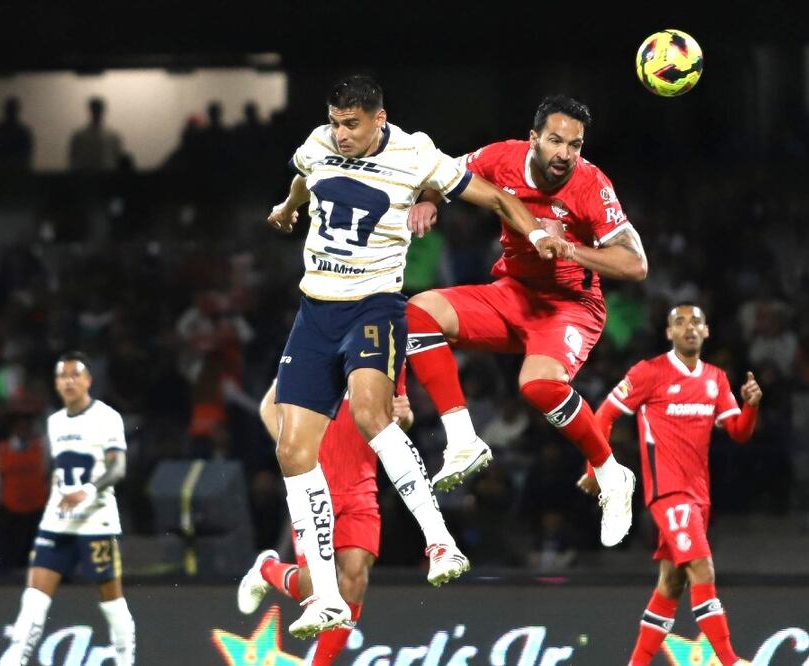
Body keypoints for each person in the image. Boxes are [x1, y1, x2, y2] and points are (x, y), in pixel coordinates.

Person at [265, 75, 571, 639]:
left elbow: (498, 197)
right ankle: (326, 599)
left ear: (379, 119)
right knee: (290, 449)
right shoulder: (318, 144)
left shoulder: (416, 154)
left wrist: (535, 236)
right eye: (335, 122)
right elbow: (304, 177)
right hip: (315, 309)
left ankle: (440, 540)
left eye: (351, 124)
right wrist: (287, 207)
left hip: (373, 306)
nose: (341, 134)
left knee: (369, 413)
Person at [403, 94, 645, 547]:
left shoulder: (592, 185)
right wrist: (432, 200)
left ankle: (612, 476)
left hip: (570, 305)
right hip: (512, 294)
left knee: (537, 386)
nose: (565, 154)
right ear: (533, 138)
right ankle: (462, 439)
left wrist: (571, 248)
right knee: (419, 311)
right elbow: (443, 172)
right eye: (555, 141)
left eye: (575, 145)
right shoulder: (501, 157)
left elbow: (635, 265)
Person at [578, 304, 760, 666]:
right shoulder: (649, 373)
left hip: (699, 496)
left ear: (707, 331)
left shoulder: (716, 379)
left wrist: (750, 406)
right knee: (702, 569)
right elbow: (604, 414)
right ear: (669, 333)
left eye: (696, 322)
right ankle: (730, 660)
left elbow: (738, 432)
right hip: (668, 492)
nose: (689, 327)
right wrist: (596, 467)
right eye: (680, 322)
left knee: (672, 584)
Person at [237, 379, 412, 665]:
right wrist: (296, 457)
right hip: (314, 489)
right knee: (314, 588)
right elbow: (269, 408)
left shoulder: (378, 360)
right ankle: (267, 570)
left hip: (360, 489)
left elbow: (396, 422)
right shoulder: (315, 353)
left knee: (355, 576)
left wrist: (403, 419)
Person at [0, 352, 135, 666]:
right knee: (33, 599)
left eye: (75, 375)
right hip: (58, 522)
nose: (68, 381)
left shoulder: (107, 417)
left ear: (88, 380)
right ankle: (15, 659)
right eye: (62, 376)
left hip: (97, 522)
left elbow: (118, 469)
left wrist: (87, 491)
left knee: (111, 601)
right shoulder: (54, 422)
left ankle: (126, 659)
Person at [0, 409, 50, 572]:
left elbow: (49, 474)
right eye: (19, 427)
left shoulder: (42, 449)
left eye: (27, 426)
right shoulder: (1, 450)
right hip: (10, 508)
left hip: (37, 508)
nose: (23, 430)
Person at [69, 97, 125, 172]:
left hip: (107, 177)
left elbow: (117, 159)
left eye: (98, 109)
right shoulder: (79, 136)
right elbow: (73, 160)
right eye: (95, 109)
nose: (97, 112)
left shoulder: (113, 136)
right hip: (86, 177)